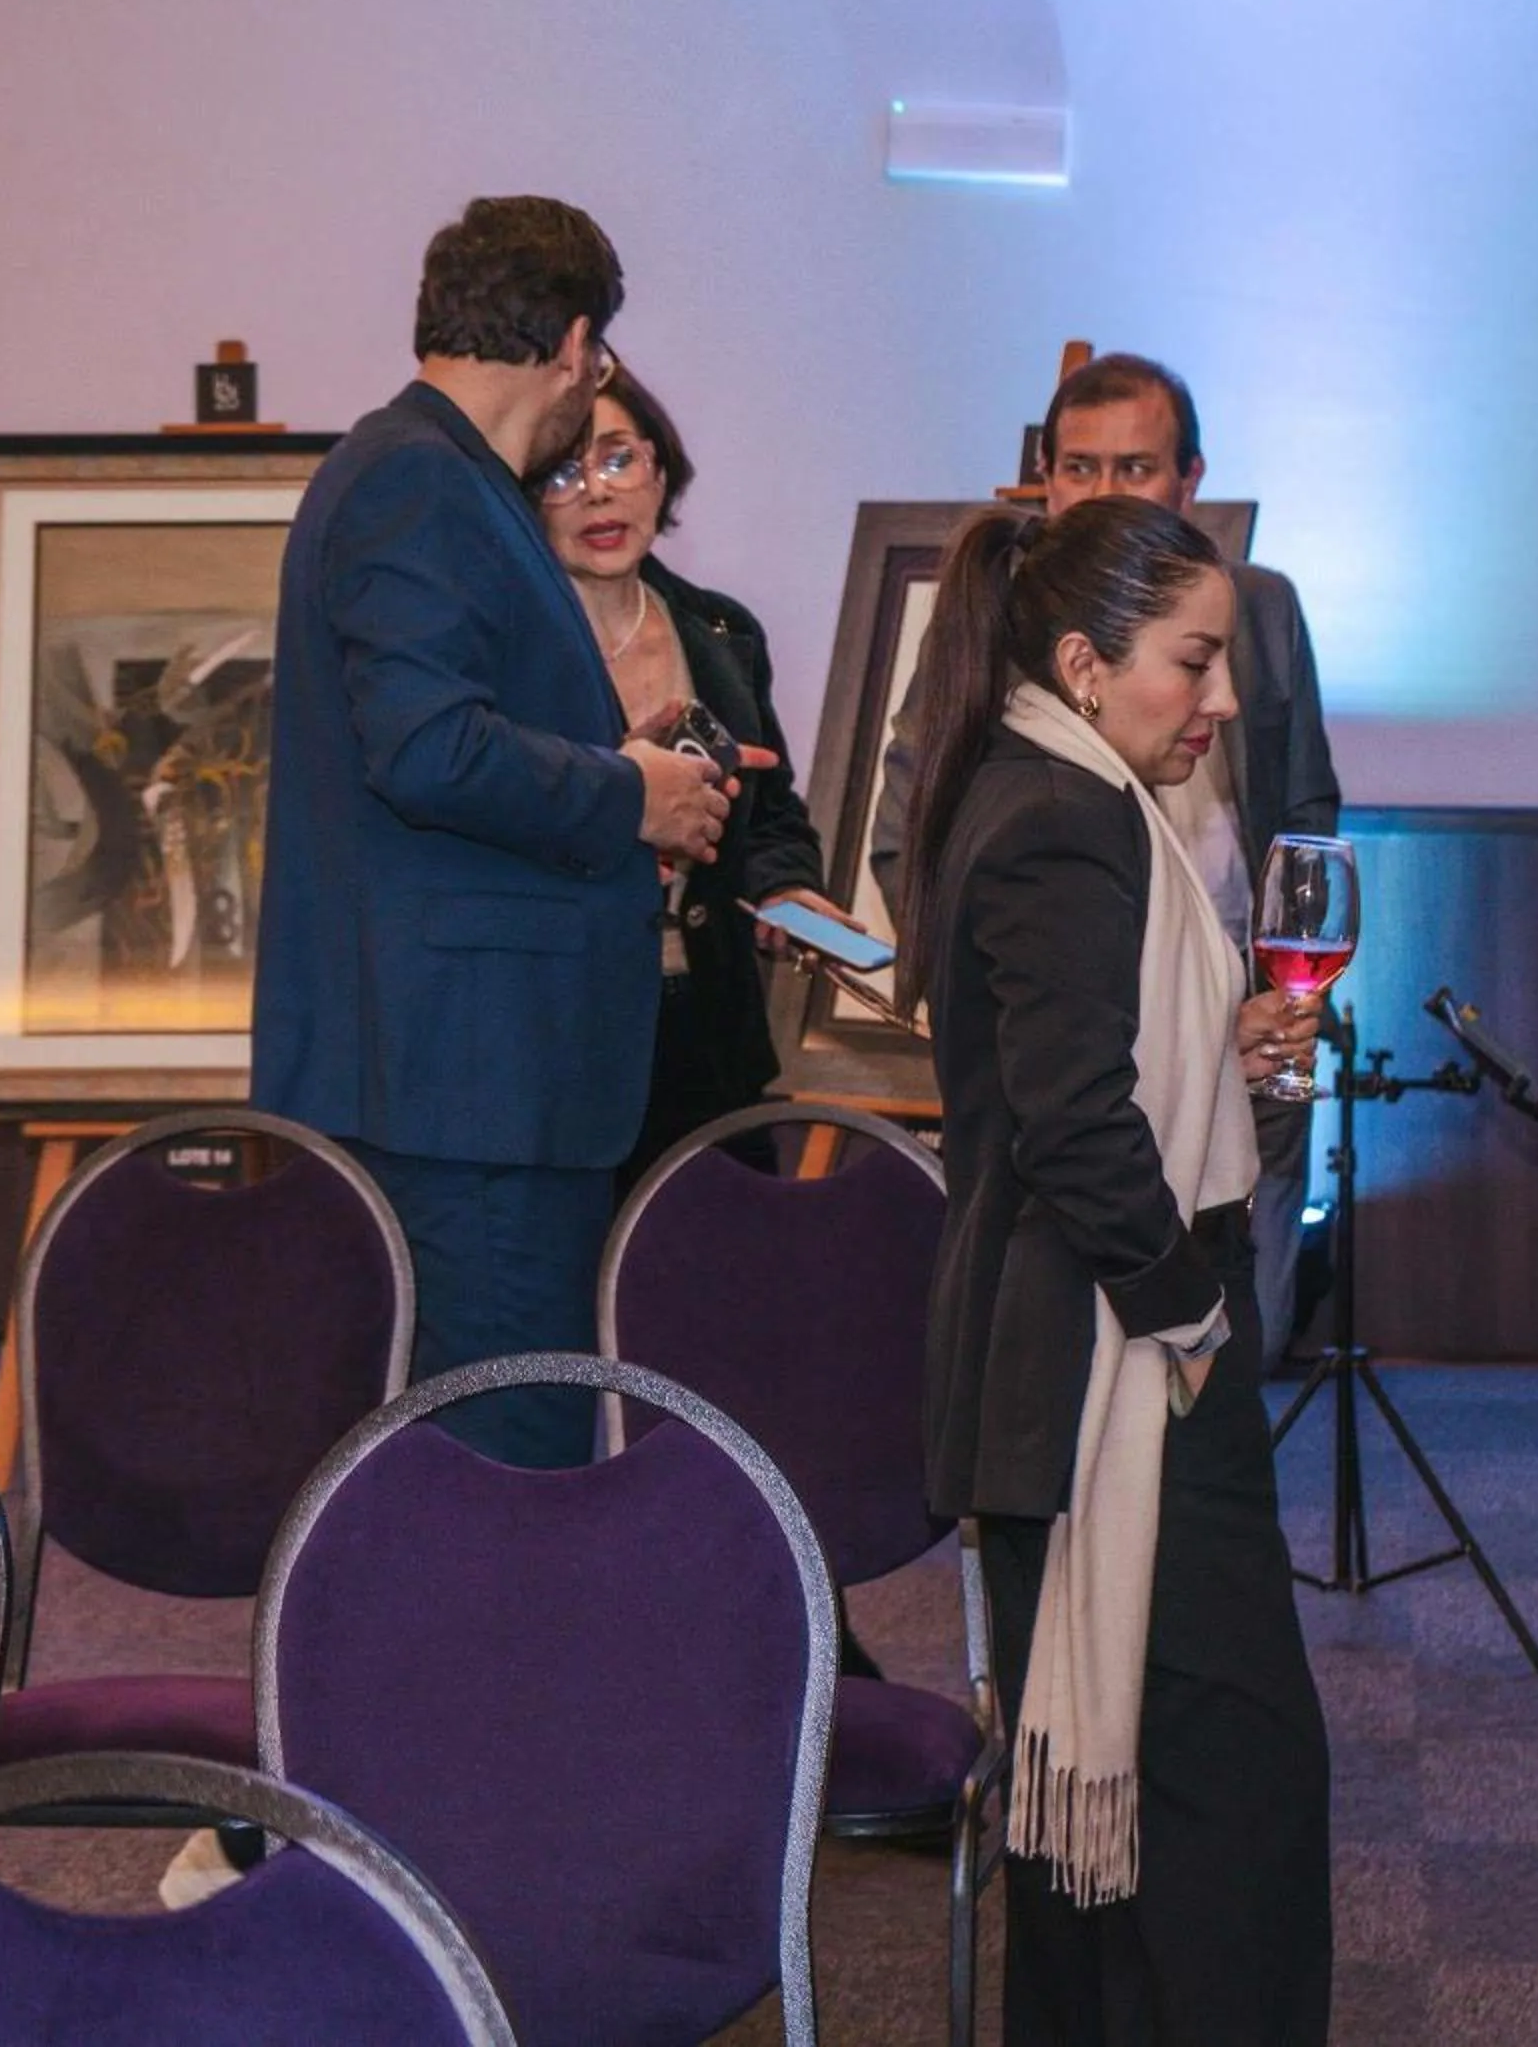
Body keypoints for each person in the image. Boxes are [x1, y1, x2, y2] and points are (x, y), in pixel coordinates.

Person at [898, 494, 1331, 2043]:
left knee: (1110, 1803)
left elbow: (1074, 1070)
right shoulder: (1064, 814)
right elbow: (1078, 1129)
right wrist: (1193, 1311)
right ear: (1086, 662)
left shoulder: (1047, 784)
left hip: (1082, 1364)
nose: (1222, 703)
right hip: (1102, 1367)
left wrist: (1219, 1048)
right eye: (1193, 661)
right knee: (1231, 1792)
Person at [251, 197, 731, 1470]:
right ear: (578, 347)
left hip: (462, 1082)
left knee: (474, 1454)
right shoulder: (421, 481)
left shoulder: (445, 482)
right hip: (464, 1095)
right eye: (602, 361)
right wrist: (632, 792)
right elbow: (425, 749)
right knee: (496, 1468)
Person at [875, 354, 1337, 1364]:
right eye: (1081, 468)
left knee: (1230, 1359)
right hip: (1088, 1061)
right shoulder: (994, 629)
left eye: (1135, 467)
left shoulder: (1254, 608)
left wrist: (1282, 992)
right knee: (1106, 1360)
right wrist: (997, 1006)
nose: (1103, 493)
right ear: (1044, 474)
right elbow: (910, 845)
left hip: (1246, 1028)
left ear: (1190, 481)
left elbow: (1305, 819)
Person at [534, 362, 855, 1192]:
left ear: (659, 470)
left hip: (711, 1037)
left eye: (618, 458)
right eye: (564, 472)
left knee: (714, 1300)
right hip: (563, 1046)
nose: (598, 494)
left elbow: (773, 813)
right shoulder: (514, 656)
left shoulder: (722, 630)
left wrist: (788, 888)